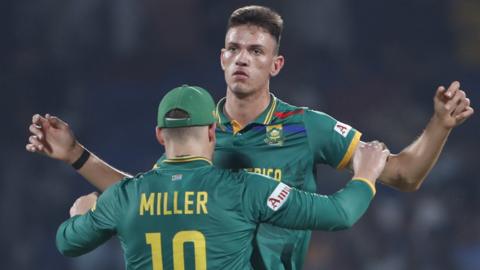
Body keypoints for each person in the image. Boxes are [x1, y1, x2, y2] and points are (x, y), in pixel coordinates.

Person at [27, 5, 474, 270]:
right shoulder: (197, 130)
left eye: (256, 51)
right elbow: (150, 197)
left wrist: (439, 126)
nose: (243, 58)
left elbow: (406, 175)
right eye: (235, 48)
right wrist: (78, 156)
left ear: (275, 65)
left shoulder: (307, 126)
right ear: (221, 58)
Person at [56, 85, 388, 269]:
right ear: (213, 131)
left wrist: (81, 212)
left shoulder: (123, 197)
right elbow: (340, 214)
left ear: (159, 135)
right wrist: (367, 175)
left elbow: (67, 243)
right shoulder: (245, 189)